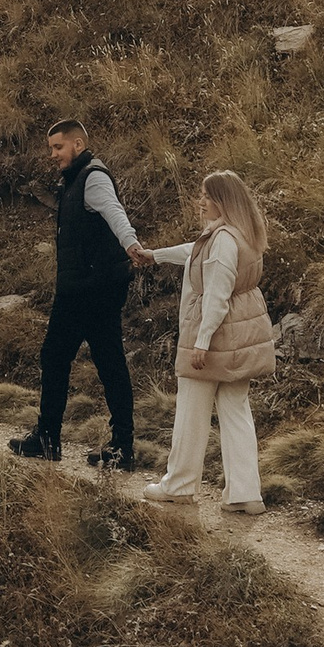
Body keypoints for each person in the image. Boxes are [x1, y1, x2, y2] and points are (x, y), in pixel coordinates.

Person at [130, 168, 275, 510]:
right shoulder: (242, 233)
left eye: (207, 196)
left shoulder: (223, 239)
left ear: (223, 201)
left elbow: (216, 294)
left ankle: (179, 484)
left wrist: (202, 342)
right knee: (236, 411)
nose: (201, 202)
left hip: (216, 334)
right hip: (241, 334)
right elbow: (195, 253)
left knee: (191, 409)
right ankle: (245, 493)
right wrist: (157, 254)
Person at [9, 116, 144, 471]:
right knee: (103, 361)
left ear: (77, 145)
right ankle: (117, 447)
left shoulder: (93, 177)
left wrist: (131, 244)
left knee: (63, 357)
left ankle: (51, 440)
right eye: (50, 148)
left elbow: (115, 214)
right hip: (88, 286)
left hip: (89, 289)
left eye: (58, 147)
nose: (52, 154)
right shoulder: (74, 180)